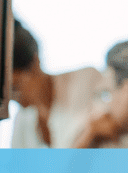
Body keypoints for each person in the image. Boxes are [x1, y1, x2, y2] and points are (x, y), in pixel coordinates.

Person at [9, 18, 104, 148]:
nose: (11, 98)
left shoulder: (87, 80)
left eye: (15, 87)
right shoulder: (22, 119)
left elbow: (108, 130)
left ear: (35, 64)